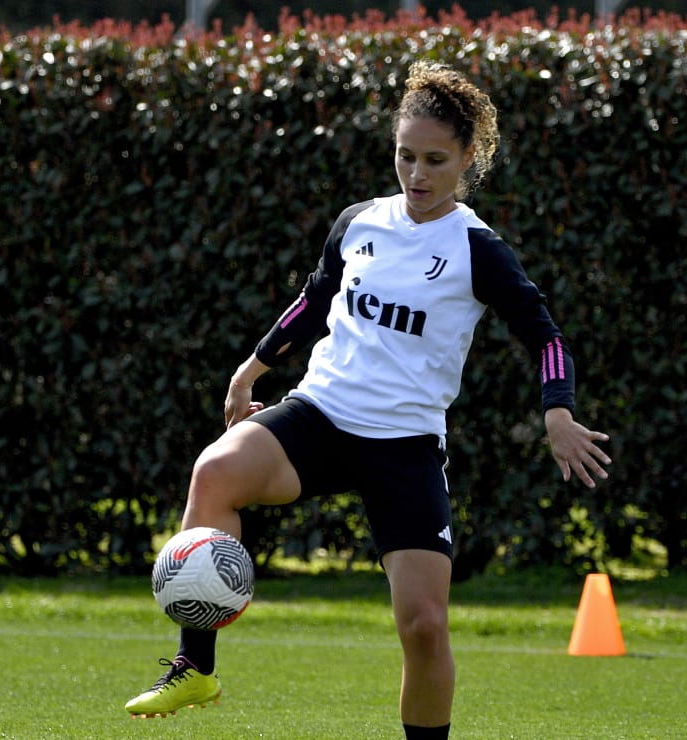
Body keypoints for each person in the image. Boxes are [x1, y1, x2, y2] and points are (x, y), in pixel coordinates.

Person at [124, 59, 612, 739]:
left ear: (469, 158)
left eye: (435, 160)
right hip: (320, 415)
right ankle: (195, 666)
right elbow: (314, 302)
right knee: (214, 474)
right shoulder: (360, 222)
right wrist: (253, 368)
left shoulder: (477, 249)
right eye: (405, 156)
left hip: (405, 448)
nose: (417, 174)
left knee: (424, 625)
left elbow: (545, 334)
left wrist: (557, 412)